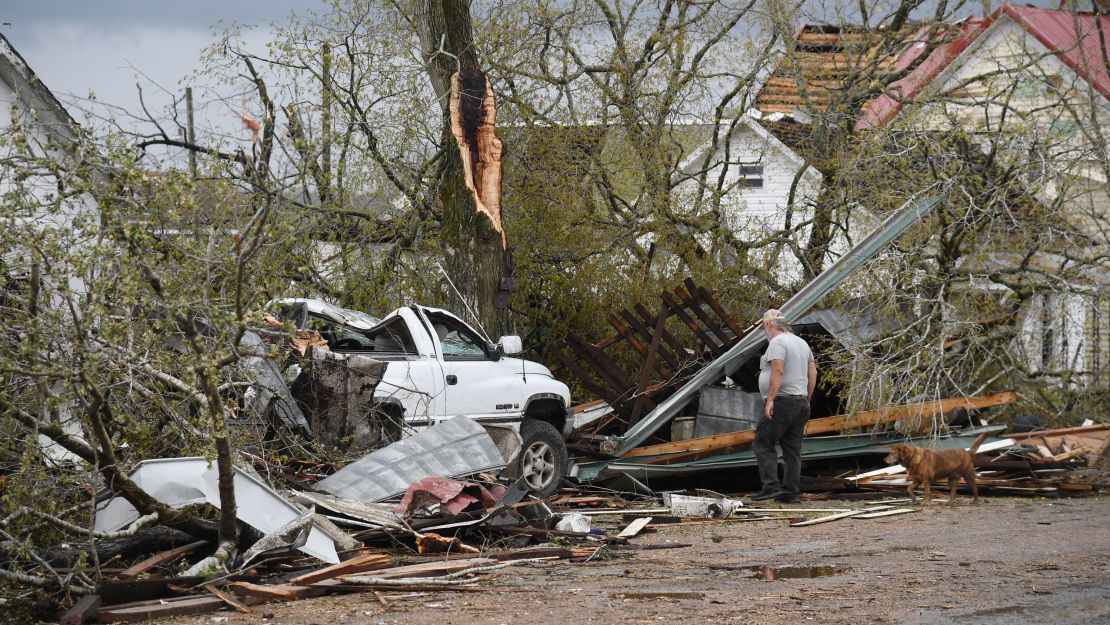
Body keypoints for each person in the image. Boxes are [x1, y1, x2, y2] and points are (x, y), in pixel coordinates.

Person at [750, 309, 817, 504]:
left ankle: (771, 487)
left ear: (769, 325)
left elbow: (777, 369)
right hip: (800, 402)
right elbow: (812, 373)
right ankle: (791, 493)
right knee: (792, 450)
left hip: (782, 401)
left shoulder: (777, 342)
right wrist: (806, 399)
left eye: (764, 328)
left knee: (763, 443)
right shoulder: (802, 343)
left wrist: (770, 400)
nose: (765, 332)